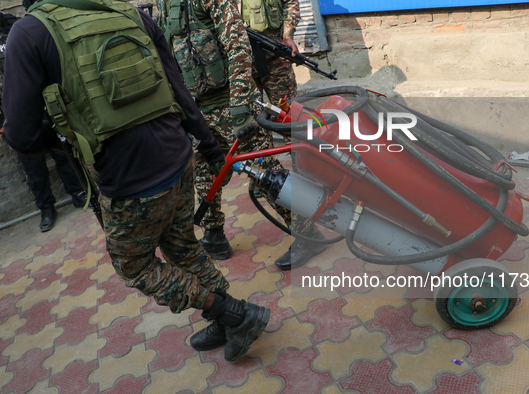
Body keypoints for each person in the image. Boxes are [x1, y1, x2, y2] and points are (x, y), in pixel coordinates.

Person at [3, 0, 269, 362]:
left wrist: (72, 134)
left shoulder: (30, 31)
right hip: (178, 155)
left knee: (135, 265)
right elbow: (179, 89)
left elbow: (22, 136)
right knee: (183, 246)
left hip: (129, 179)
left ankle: (233, 313)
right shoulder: (127, 11)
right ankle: (223, 317)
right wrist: (208, 146)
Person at [158, 0, 326, 270]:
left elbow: (238, 48)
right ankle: (214, 236)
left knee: (264, 172)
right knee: (203, 171)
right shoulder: (162, 5)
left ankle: (307, 234)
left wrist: (239, 105)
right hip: (196, 107)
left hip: (228, 103)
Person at [0, 10, 85, 232]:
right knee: (33, 168)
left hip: (47, 106)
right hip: (15, 113)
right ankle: (46, 209)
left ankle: (78, 192)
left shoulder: (16, 27)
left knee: (64, 153)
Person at [242, 0, 301, 105]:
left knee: (288, 109)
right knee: (251, 113)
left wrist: (287, 35)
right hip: (240, 63)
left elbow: (290, 3)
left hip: (276, 55)